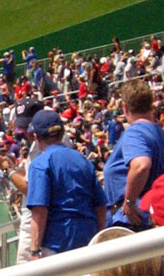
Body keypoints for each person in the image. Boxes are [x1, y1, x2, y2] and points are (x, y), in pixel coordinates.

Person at [27, 110, 107, 259]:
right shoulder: (82, 160)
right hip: (88, 239)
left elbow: (40, 211)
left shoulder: (40, 164)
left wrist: (34, 250)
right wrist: (98, 238)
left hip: (56, 243)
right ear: (62, 132)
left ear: (36, 137)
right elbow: (101, 207)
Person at [104, 80, 164, 231]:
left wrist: (129, 202)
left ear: (125, 107)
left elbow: (141, 165)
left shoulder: (135, 131)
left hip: (132, 218)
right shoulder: (157, 131)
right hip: (145, 213)